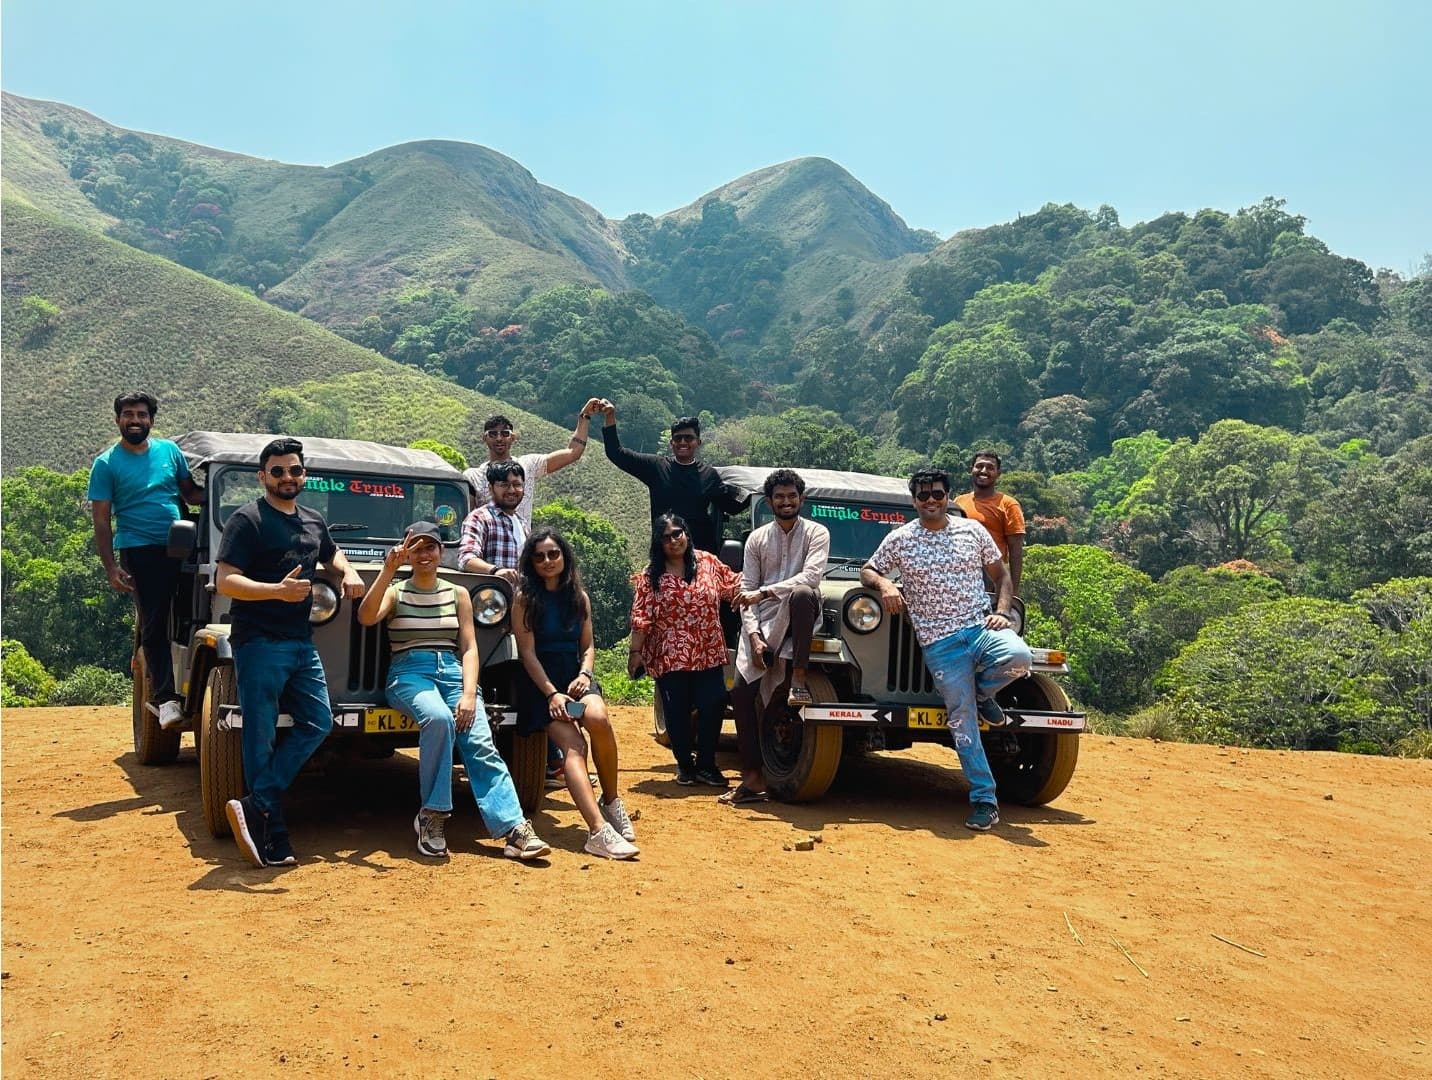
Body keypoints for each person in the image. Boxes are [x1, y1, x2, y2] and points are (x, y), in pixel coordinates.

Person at [357, 520, 550, 861]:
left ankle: (513, 827)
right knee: (438, 718)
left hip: (452, 672)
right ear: (406, 551)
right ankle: (432, 816)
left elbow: (470, 648)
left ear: (440, 550)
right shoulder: (395, 590)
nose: (424, 554)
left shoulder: (457, 592)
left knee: (478, 740)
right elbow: (367, 617)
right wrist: (388, 571)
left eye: (430, 546)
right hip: (408, 673)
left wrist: (468, 693)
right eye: (416, 548)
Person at [216, 437, 365, 867]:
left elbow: (333, 556)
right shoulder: (247, 520)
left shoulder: (314, 520)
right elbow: (227, 581)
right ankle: (273, 834)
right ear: (263, 476)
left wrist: (350, 572)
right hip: (258, 641)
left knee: (318, 721)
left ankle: (256, 801)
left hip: (301, 643)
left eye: (295, 470)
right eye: (278, 471)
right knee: (259, 736)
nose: (287, 477)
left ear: (304, 475)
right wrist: (276, 592)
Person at [860, 467, 1032, 832]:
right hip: (939, 643)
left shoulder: (972, 530)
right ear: (914, 501)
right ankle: (985, 799)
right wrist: (886, 586)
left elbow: (1001, 575)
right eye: (923, 496)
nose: (930, 501)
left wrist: (1002, 611)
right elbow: (868, 570)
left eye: (937, 494)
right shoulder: (901, 538)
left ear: (948, 497)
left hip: (979, 627)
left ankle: (984, 692)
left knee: (1021, 658)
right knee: (962, 721)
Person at [512, 529, 639, 860]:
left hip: (574, 678)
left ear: (564, 557)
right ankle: (597, 832)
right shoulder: (524, 599)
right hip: (541, 686)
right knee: (574, 745)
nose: (547, 561)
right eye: (539, 556)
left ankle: (610, 801)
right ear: (531, 563)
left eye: (553, 554)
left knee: (598, 717)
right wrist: (552, 694)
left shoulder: (578, 597)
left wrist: (585, 674)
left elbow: (588, 646)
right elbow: (527, 653)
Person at [88, 391, 203, 731]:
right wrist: (111, 567)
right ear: (117, 419)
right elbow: (101, 520)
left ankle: (191, 680)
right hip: (140, 549)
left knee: (193, 614)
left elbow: (190, 493)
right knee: (155, 619)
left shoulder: (170, 451)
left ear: (151, 420)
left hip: (183, 542)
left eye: (141, 415)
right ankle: (164, 699)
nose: (135, 420)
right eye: (128, 414)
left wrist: (238, 497)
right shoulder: (106, 463)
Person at [628, 513, 757, 788]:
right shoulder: (652, 575)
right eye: (666, 537)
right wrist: (635, 653)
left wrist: (766, 582)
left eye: (677, 534)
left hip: (707, 647)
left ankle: (707, 766)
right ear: (658, 543)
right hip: (669, 651)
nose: (673, 541)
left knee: (714, 703)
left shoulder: (708, 562)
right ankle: (685, 766)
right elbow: (641, 616)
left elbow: (734, 585)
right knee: (677, 711)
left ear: (686, 533)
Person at [726, 469, 830, 805]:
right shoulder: (757, 539)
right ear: (770, 502)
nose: (786, 502)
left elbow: (813, 576)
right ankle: (753, 777)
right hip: (762, 618)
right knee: (742, 695)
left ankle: (798, 675)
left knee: (801, 593)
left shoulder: (817, 532)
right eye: (779, 497)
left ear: (802, 499)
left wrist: (764, 593)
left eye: (792, 496)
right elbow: (746, 590)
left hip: (800, 618)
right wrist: (755, 637)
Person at [600, 403, 746, 554]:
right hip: (664, 555)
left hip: (699, 557)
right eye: (678, 438)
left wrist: (765, 490)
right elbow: (615, 453)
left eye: (688, 438)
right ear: (671, 443)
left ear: (698, 442)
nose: (683, 442)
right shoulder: (656, 467)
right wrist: (610, 415)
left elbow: (731, 507)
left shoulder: (709, 475)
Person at [461, 403, 603, 528]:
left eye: (504, 433)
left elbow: (573, 452)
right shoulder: (473, 476)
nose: (499, 438)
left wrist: (584, 416)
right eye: (493, 434)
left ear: (513, 437)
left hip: (523, 551)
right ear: (484, 438)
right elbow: (466, 520)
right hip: (488, 552)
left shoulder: (528, 465)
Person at [953, 451, 1026, 595]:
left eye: (990, 468)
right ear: (971, 470)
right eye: (979, 466)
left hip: (990, 581)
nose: (984, 471)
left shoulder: (1008, 505)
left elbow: (1015, 552)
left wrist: (1013, 592)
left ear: (998, 473)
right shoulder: (958, 502)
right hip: (958, 578)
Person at [457, 460, 528, 582]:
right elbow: (466, 559)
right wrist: (496, 571)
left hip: (521, 599)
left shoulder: (523, 524)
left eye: (517, 484)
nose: (511, 490)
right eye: (504, 484)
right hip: (492, 598)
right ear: (490, 488)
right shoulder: (480, 518)